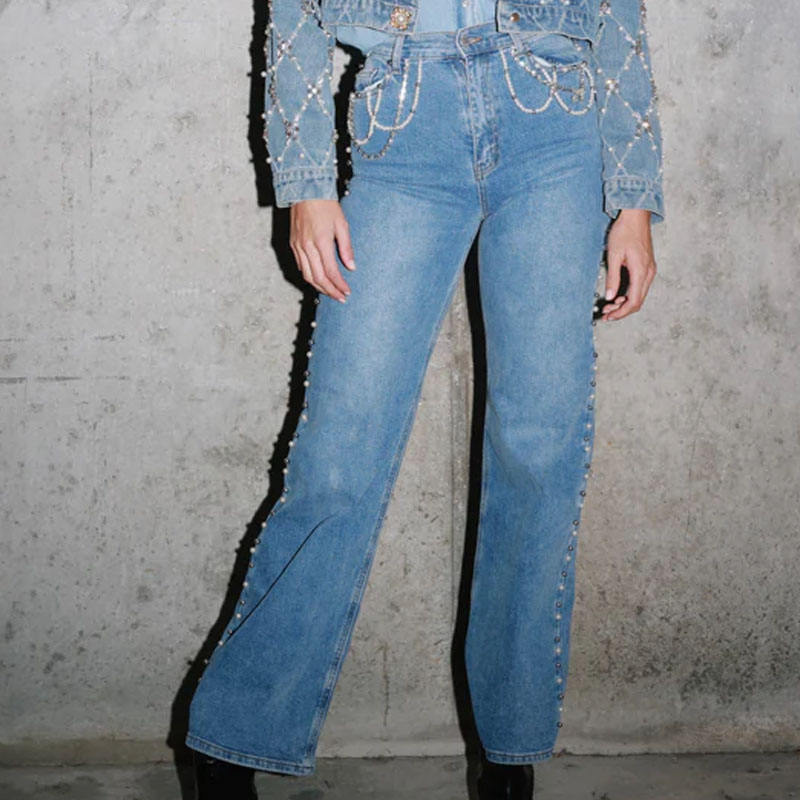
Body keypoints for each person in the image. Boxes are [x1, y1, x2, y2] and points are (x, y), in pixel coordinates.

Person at [185, 0, 664, 797]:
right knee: (338, 457)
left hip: (552, 123)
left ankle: (508, 751)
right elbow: (294, 15)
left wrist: (635, 198)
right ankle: (234, 739)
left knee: (538, 453)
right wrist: (306, 182)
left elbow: (618, 16)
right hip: (406, 122)